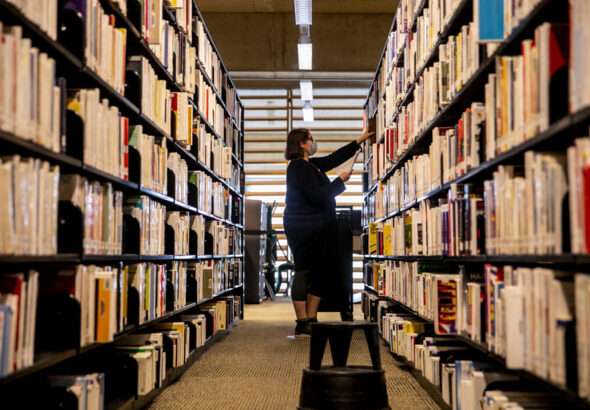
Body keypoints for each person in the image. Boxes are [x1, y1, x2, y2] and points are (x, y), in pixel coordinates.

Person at [283, 128, 374, 335]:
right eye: (311, 139)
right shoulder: (298, 167)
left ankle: (312, 318)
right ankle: (302, 320)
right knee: (304, 269)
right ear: (302, 144)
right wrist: (339, 182)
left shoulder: (311, 165)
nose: (314, 142)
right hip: (302, 226)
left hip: (318, 225)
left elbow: (334, 158)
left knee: (321, 272)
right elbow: (318, 196)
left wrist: (359, 140)